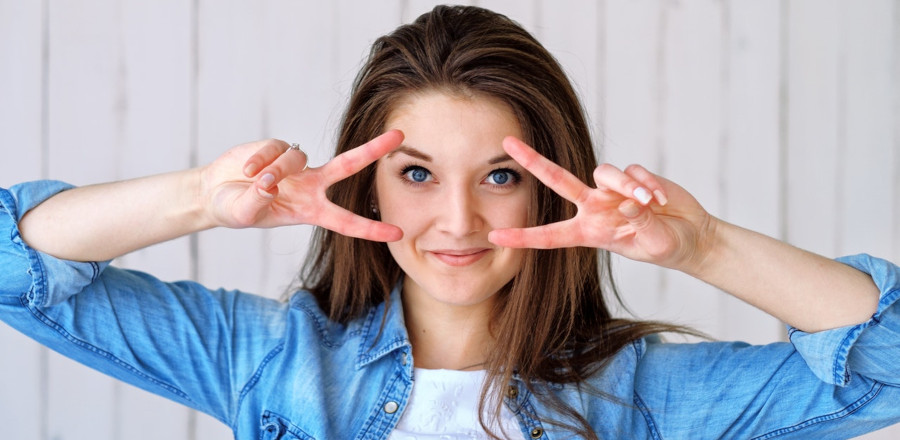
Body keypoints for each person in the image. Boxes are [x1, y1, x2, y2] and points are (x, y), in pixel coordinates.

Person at [1, 5, 898, 439]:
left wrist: (702, 245)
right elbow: (16, 267)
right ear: (368, 184)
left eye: (500, 174)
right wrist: (202, 197)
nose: (457, 218)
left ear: (548, 186)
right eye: (418, 173)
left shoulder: (645, 396)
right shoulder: (269, 361)